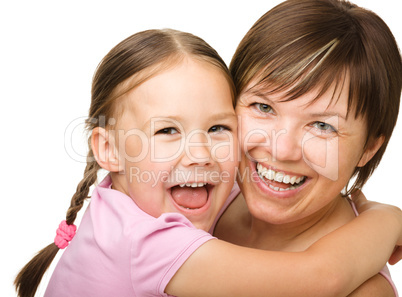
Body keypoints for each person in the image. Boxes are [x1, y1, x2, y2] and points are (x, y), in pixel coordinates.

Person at [14, 28, 402, 297]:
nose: (199, 154)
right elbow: (323, 278)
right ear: (110, 150)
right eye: (167, 131)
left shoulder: (134, 193)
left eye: (218, 127)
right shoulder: (145, 241)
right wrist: (388, 220)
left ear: (370, 146)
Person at [214, 0, 402, 296]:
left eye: (323, 126)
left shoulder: (365, 291)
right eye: (263, 107)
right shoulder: (202, 196)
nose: (282, 149)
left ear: (369, 148)